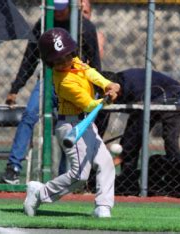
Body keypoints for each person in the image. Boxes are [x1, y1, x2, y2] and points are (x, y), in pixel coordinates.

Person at [0, 0, 101, 184]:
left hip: (74, 85)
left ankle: (65, 174)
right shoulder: (45, 24)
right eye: (55, 8)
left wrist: (98, 89)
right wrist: (16, 87)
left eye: (62, 8)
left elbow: (94, 61)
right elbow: (30, 58)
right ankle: (13, 168)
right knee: (29, 115)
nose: (58, 13)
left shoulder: (85, 27)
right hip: (49, 81)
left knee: (68, 125)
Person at [23, 27, 119, 218]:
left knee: (106, 163)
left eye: (66, 56)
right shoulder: (64, 81)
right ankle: (40, 193)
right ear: (49, 62)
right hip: (71, 126)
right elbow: (90, 105)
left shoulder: (75, 62)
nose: (64, 62)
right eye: (57, 60)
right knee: (79, 176)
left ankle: (103, 206)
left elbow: (90, 72)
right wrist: (106, 100)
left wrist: (108, 84)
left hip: (86, 123)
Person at [98, 69, 180, 194]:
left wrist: (120, 157)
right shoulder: (120, 86)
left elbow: (140, 121)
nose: (105, 97)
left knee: (169, 138)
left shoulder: (134, 87)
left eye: (105, 93)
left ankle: (175, 184)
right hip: (148, 101)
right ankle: (129, 183)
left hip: (171, 95)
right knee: (130, 138)